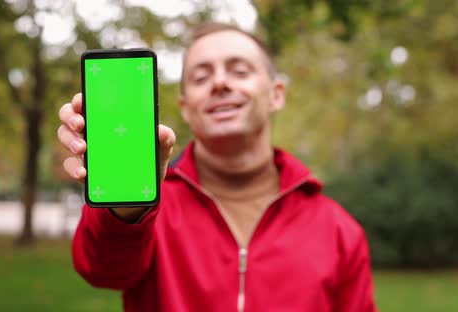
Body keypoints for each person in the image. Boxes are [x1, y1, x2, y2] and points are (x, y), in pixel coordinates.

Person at [57, 22, 377, 312]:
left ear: (276, 95)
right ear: (185, 107)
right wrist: (128, 209)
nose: (220, 83)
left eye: (239, 71)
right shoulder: (149, 207)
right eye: (201, 77)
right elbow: (103, 270)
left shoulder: (338, 230)